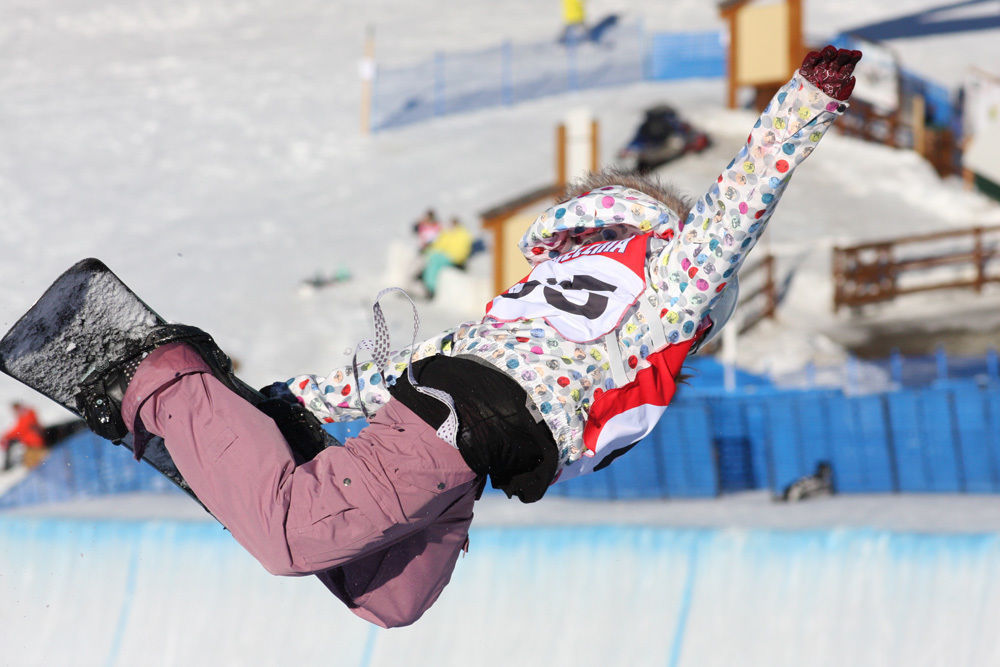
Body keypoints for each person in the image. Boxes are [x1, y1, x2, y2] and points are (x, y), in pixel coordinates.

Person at [76, 47, 861, 628]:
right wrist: (803, 104)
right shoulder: (666, 299)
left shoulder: (538, 297)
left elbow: (404, 370)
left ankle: (275, 455)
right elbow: (730, 219)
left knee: (390, 598)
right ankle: (159, 379)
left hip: (457, 449)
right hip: (460, 433)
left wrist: (284, 401)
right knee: (290, 537)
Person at [420, 216, 474, 297]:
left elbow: (461, 251)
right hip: (447, 256)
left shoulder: (462, 234)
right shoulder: (449, 233)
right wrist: (429, 251)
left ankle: (431, 288)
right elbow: (440, 245)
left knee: (434, 262)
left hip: (455, 258)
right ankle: (427, 284)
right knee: (432, 259)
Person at [1, 402, 47, 470]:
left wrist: (5, 436)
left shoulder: (26, 415)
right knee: (33, 464)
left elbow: (20, 429)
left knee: (34, 465)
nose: (15, 412)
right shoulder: (26, 414)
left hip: (34, 444)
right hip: (31, 443)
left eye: (15, 410)